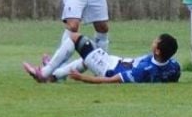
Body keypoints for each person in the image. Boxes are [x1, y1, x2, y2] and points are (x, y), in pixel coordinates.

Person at [24, 32, 180, 84]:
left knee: (76, 38)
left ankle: (44, 73)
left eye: (155, 42)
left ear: (158, 51)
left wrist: (82, 78)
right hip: (116, 60)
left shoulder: (142, 71)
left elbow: (110, 81)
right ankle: (54, 75)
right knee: (86, 58)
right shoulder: (174, 67)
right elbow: (169, 76)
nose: (152, 42)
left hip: (108, 68)